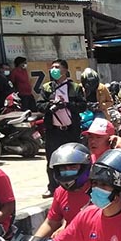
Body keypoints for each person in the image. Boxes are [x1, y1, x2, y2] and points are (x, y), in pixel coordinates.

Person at [38, 59, 86, 198]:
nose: (54, 70)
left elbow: (82, 106)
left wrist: (68, 104)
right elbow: (40, 105)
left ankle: (75, 184)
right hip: (54, 131)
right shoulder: (47, 87)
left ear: (65, 70)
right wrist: (51, 105)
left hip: (70, 130)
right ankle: (53, 187)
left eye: (57, 67)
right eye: (52, 67)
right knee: (52, 160)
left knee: (73, 159)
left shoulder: (74, 87)